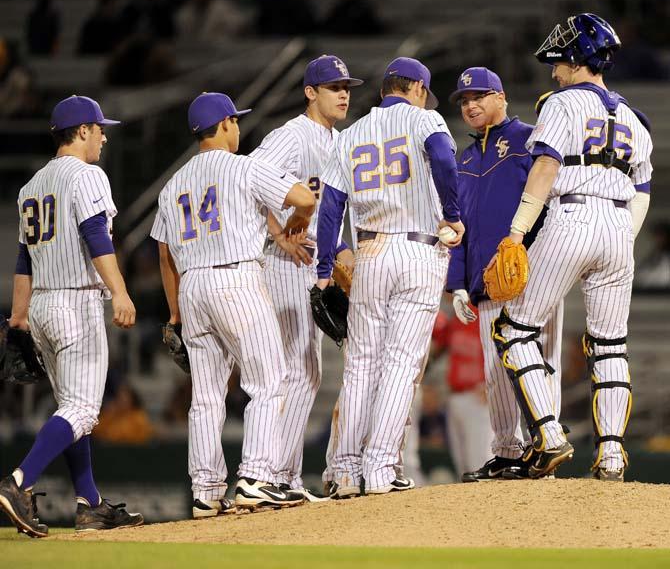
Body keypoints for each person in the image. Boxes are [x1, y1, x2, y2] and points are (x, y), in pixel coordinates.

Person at [491, 13, 652, 481]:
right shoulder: (635, 120)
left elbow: (545, 167)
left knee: (514, 329)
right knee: (610, 345)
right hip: (619, 226)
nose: (554, 68)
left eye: (560, 59)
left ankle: (550, 435)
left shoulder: (562, 103)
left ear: (578, 58)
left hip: (572, 215)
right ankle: (612, 457)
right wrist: (624, 235)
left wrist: (518, 230)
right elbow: (643, 190)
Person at [151, 92, 315, 516]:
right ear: (223, 124)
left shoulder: (171, 184)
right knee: (269, 380)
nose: (239, 127)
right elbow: (305, 197)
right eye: (235, 121)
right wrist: (297, 221)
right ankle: (257, 477)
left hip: (192, 288)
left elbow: (164, 253)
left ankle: (205, 491)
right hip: (236, 279)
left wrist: (174, 313)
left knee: (205, 397)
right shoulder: (245, 167)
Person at [315, 57, 463, 498]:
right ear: (416, 87)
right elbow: (444, 160)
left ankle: (343, 471)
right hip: (418, 248)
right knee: (400, 364)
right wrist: (453, 215)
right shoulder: (425, 118)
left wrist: (325, 269)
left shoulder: (352, 134)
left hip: (370, 252)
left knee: (360, 365)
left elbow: (329, 209)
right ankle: (380, 468)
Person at [0, 95, 143, 537]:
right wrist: (120, 291)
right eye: (100, 128)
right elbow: (96, 235)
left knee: (71, 409)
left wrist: (18, 317)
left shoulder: (32, 186)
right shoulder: (88, 175)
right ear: (82, 131)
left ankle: (90, 504)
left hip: (41, 304)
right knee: (83, 409)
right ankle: (18, 482)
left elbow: (24, 260)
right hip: (76, 301)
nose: (104, 135)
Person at [249, 55, 361, 502]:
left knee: (303, 370)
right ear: (310, 92)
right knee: (298, 368)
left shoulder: (339, 140)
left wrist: (344, 258)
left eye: (346, 86)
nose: (344, 93)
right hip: (287, 264)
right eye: (334, 86)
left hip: (315, 263)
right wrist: (278, 234)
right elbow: (250, 176)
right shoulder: (291, 135)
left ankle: (280, 476)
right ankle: (276, 477)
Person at [446, 67, 564, 482]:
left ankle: (545, 444)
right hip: (486, 280)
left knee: (541, 361)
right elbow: (457, 225)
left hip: (534, 273)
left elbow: (556, 203)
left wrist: (545, 256)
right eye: (463, 100)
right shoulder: (461, 157)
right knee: (496, 369)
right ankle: (508, 451)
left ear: (501, 96)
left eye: (478, 95)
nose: (470, 105)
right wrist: (458, 283)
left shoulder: (530, 138)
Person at [430, 309, 493, 478]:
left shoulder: (486, 313)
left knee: (480, 462)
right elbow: (437, 340)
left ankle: (490, 503)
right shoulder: (456, 318)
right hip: (455, 396)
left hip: (478, 396)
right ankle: (472, 505)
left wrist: (494, 382)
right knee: (462, 465)